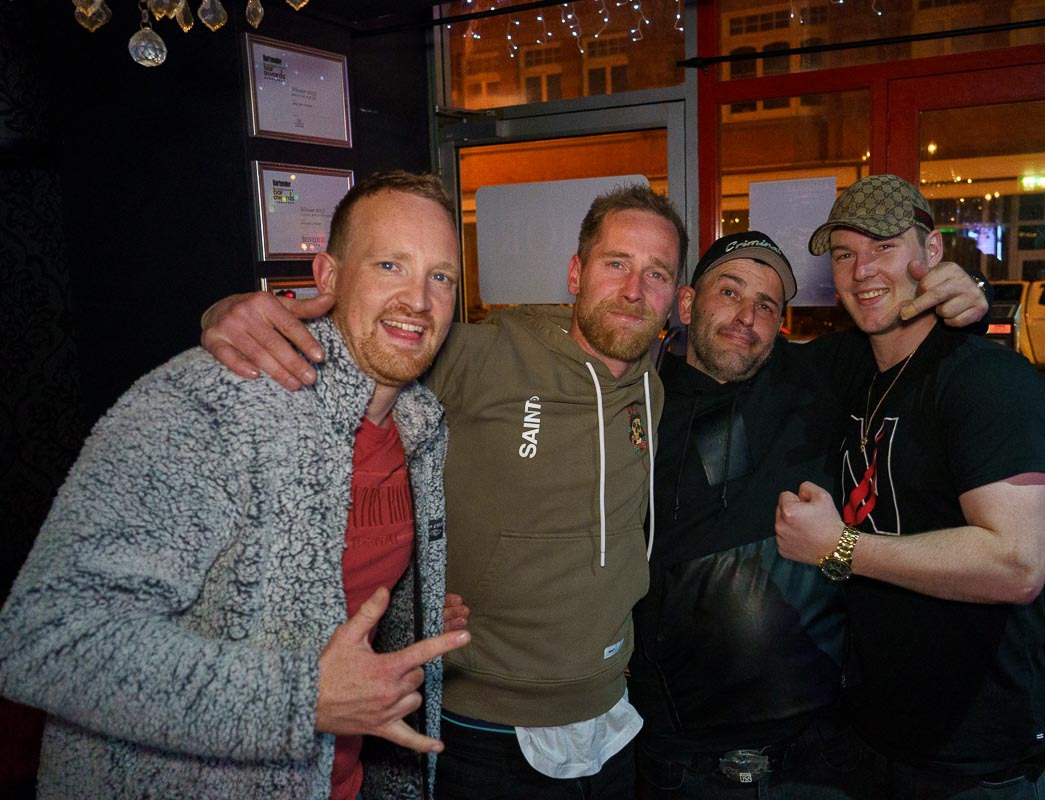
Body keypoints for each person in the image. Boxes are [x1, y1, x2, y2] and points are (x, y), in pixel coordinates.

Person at [200, 183, 688, 799]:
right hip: (485, 720)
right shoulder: (487, 354)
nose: (634, 290)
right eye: (616, 263)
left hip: (610, 709)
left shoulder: (653, 389)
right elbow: (361, 342)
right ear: (575, 273)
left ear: (675, 297)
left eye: (656, 273)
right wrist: (228, 312)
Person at [0, 171, 472, 800]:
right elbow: (43, 640)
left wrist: (413, 613)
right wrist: (302, 699)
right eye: (390, 265)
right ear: (328, 276)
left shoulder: (420, 424)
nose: (418, 300)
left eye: (441, 277)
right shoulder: (215, 400)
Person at [630, 230, 989, 799]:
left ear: (780, 324)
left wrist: (970, 294)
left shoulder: (820, 375)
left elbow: (909, 334)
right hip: (681, 756)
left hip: (819, 753)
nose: (746, 317)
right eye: (729, 292)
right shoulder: (636, 406)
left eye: (767, 305)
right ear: (688, 303)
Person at [774, 174, 1045, 799]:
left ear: (931, 252)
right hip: (871, 737)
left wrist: (838, 548)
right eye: (845, 253)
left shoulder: (989, 382)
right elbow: (748, 357)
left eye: (883, 246)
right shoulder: (851, 366)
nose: (862, 271)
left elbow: (1017, 564)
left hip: (977, 757)